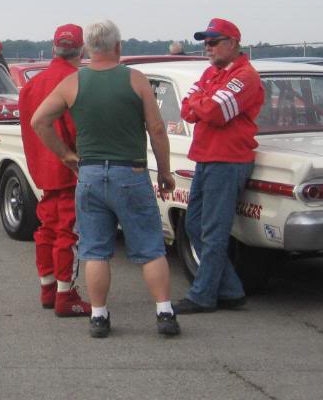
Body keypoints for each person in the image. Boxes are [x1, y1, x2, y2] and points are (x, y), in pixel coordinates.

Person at [31, 20, 180, 338]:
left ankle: (99, 316)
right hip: (132, 172)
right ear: (118, 47)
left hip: (90, 174)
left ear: (87, 49)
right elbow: (156, 129)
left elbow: (39, 120)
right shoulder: (135, 80)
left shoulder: (73, 83)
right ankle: (164, 312)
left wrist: (64, 154)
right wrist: (165, 171)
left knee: (95, 250)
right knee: (151, 248)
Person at [173, 18, 264, 314]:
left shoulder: (245, 76)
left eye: (214, 42)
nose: (207, 48)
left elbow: (213, 111)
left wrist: (201, 101)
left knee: (212, 230)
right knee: (194, 224)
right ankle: (231, 291)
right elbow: (186, 109)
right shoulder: (212, 72)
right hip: (207, 157)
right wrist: (202, 102)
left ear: (233, 43)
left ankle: (203, 295)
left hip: (228, 160)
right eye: (205, 43)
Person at [19, 24, 91, 317]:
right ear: (82, 49)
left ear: (53, 49)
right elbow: (80, 129)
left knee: (46, 229)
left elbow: (28, 127)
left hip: (42, 169)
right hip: (69, 167)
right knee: (68, 232)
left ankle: (48, 288)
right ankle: (66, 294)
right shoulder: (77, 81)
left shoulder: (32, 84)